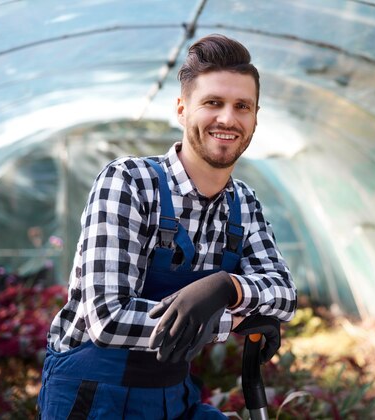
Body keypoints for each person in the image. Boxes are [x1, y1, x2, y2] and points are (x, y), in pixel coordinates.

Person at [38, 34, 297, 419]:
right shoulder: (129, 182)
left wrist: (227, 286)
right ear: (181, 109)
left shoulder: (243, 202)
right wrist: (235, 317)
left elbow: (284, 294)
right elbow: (108, 319)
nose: (228, 118)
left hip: (171, 395)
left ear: (255, 117)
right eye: (213, 103)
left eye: (242, 106)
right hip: (93, 395)